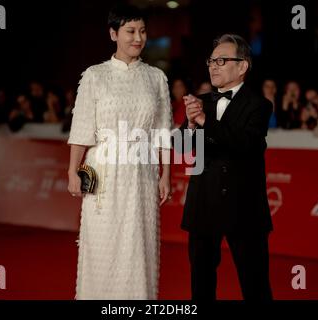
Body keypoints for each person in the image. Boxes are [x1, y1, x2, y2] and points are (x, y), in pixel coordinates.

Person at [66, 4, 172, 300]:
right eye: (130, 31)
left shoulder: (156, 78)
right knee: (102, 242)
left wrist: (166, 174)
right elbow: (82, 127)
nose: (137, 38)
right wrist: (73, 170)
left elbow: (163, 131)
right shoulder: (94, 76)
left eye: (142, 31)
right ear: (113, 34)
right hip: (102, 171)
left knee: (139, 244)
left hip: (141, 172)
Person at [178, 34, 273, 300]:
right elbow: (181, 150)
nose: (213, 66)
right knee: (201, 284)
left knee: (255, 285)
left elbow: (243, 144)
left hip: (244, 208)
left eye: (221, 60)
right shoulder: (200, 101)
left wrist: (205, 120)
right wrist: (191, 125)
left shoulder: (259, 105)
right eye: (211, 60)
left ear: (242, 66)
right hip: (203, 204)